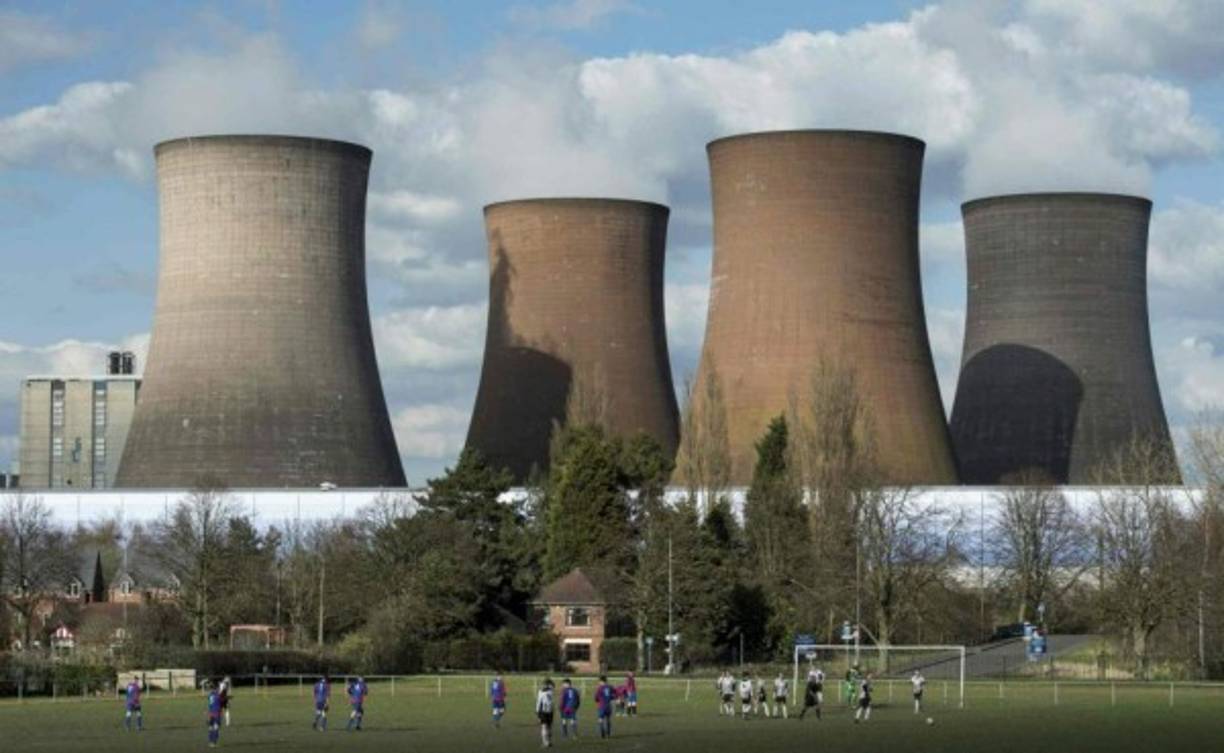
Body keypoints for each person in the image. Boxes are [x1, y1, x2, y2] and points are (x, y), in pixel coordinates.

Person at [536, 679, 556, 748]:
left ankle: (545, 743)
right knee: (549, 727)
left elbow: (538, 702)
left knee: (544, 727)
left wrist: (537, 713)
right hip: (550, 711)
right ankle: (549, 742)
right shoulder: (551, 691)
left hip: (543, 711)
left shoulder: (541, 692)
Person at [207, 682, 223, 748]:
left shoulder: (210, 695)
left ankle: (210, 742)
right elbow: (221, 701)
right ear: (216, 688)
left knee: (210, 727)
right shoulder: (218, 695)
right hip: (217, 712)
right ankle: (213, 743)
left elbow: (210, 704)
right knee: (216, 727)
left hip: (211, 713)